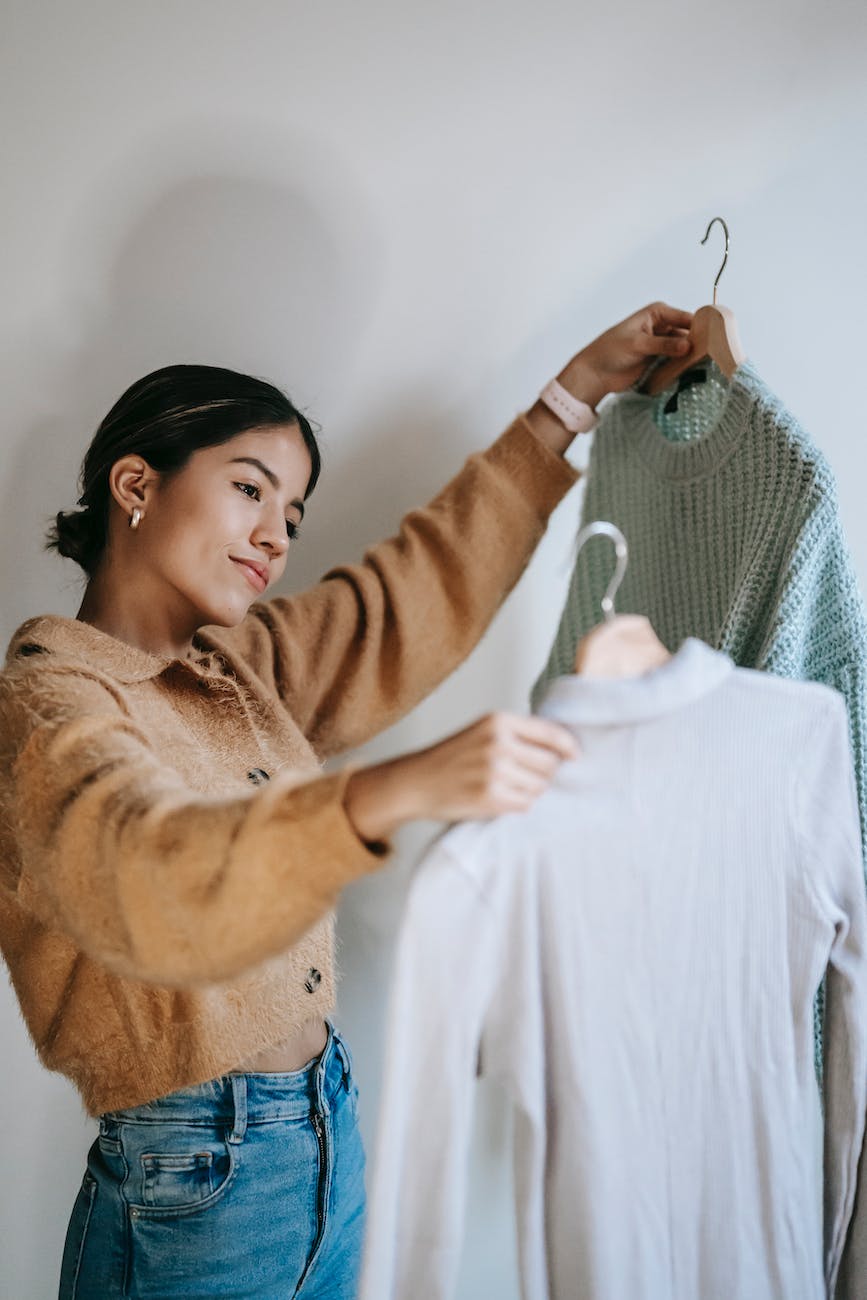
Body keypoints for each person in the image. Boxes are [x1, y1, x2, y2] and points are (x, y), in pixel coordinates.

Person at [0, 303, 691, 1299]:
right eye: (250, 489)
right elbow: (141, 876)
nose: (273, 536)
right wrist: (386, 793)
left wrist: (570, 396)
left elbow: (411, 593)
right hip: (192, 1183)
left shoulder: (241, 670)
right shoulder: (49, 702)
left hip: (329, 1132)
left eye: (292, 515)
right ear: (137, 484)